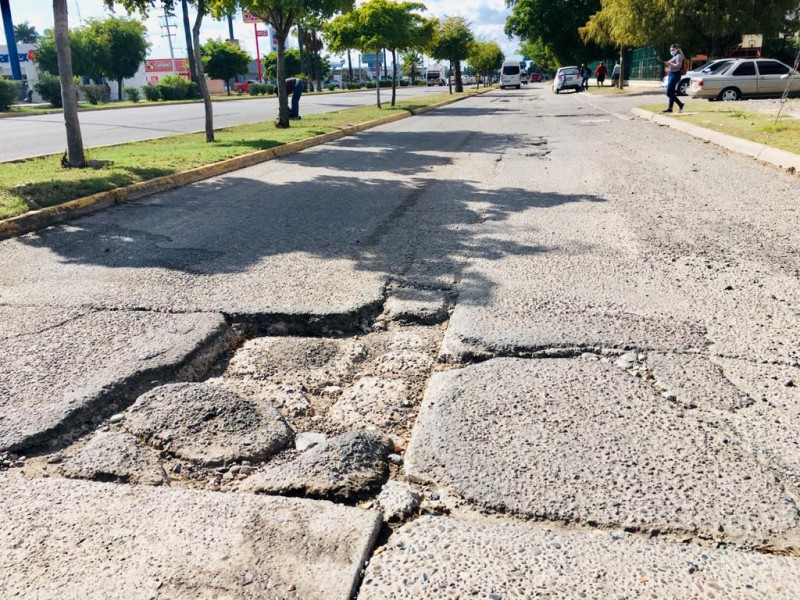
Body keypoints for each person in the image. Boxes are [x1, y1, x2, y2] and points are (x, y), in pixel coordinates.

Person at [663, 44, 685, 113]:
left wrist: (670, 63)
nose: (671, 51)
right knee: (671, 92)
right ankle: (670, 108)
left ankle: (680, 104)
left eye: (673, 50)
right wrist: (668, 63)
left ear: (677, 49)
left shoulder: (679, 56)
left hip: (675, 75)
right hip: (671, 74)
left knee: (668, 92)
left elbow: (678, 65)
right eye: (670, 50)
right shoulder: (675, 56)